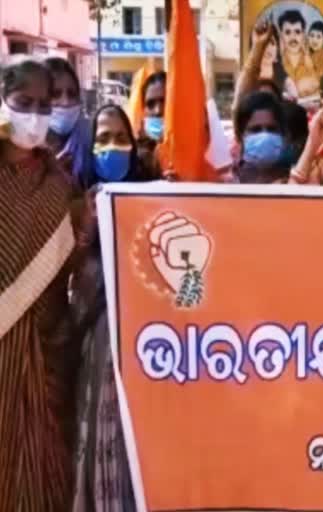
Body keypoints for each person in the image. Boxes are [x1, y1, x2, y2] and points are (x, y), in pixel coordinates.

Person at [0, 57, 78, 511]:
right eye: (23, 102)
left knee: (44, 481)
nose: (34, 114)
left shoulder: (60, 185)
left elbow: (71, 265)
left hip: (47, 355)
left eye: (43, 104)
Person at [71, 105, 151, 512]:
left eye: (121, 139)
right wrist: (87, 227)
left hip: (146, 360)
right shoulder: (72, 203)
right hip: (97, 355)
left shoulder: (151, 203)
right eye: (102, 139)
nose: (112, 147)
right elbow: (67, 290)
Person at [44, 57, 92, 182]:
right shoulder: (26, 150)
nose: (65, 102)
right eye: (55, 94)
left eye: (72, 94)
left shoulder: (91, 138)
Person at [233, 92, 291, 184]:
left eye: (272, 129)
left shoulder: (294, 181)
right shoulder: (228, 181)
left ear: (283, 134)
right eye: (256, 130)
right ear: (240, 136)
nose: (265, 136)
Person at [278, 10, 319, 97]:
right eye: (288, 32)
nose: (293, 37)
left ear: (303, 35)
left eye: (297, 32)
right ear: (281, 35)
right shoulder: (275, 62)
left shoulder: (315, 60)